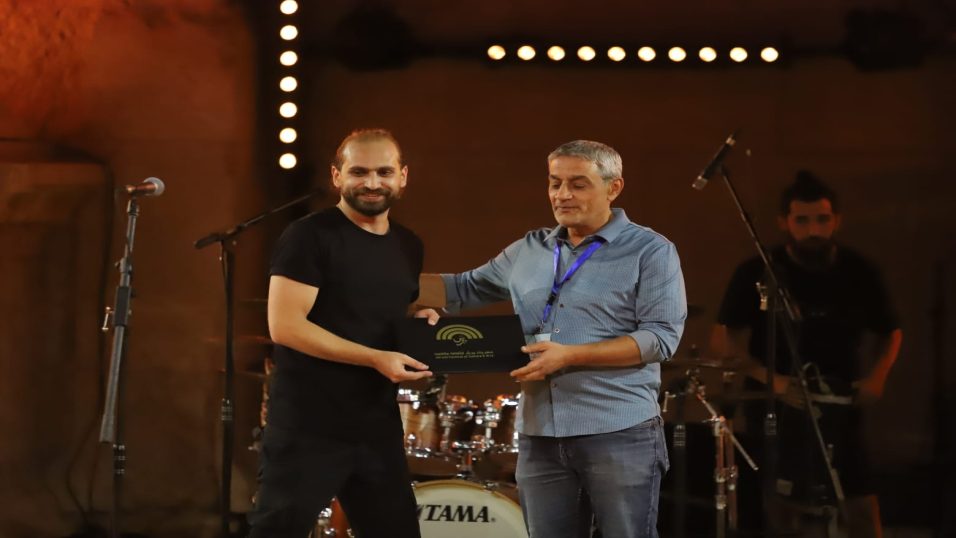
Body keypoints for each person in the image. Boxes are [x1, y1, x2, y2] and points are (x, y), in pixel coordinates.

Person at [419, 140, 687, 538]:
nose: (562, 194)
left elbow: (660, 338)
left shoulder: (650, 250)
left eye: (578, 184)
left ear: (613, 188)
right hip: (539, 435)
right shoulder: (529, 249)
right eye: (555, 182)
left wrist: (570, 355)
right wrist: (386, 286)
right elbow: (461, 289)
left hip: (618, 432)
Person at [248, 128, 433, 538]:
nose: (372, 183)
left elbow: (370, 313)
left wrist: (417, 323)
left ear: (403, 176)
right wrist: (374, 357)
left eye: (384, 172)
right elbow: (285, 326)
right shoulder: (308, 236)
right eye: (359, 172)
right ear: (337, 176)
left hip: (377, 423)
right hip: (308, 424)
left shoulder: (408, 244)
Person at [711, 170, 902, 538]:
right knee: (781, 507)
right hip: (778, 407)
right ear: (784, 222)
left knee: (860, 506)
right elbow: (723, 340)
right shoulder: (758, 271)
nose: (813, 230)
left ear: (836, 221)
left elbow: (890, 330)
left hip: (840, 402)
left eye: (822, 219)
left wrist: (877, 377)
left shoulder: (858, 270)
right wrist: (774, 381)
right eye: (802, 220)